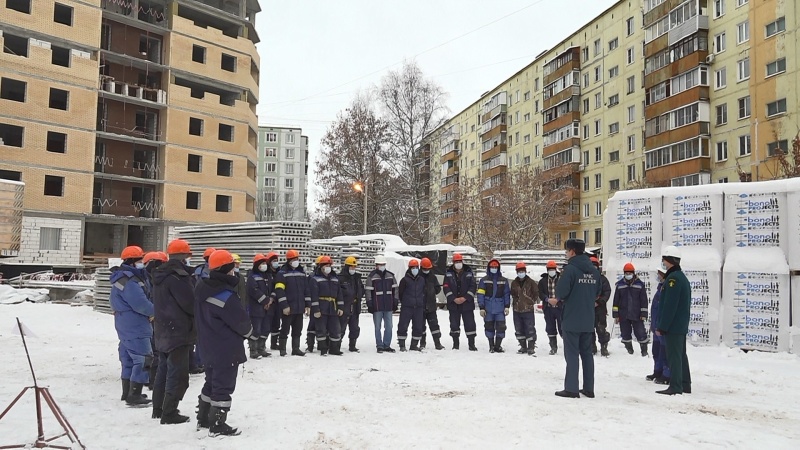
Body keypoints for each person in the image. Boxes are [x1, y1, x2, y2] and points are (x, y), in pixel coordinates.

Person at [194, 250, 255, 437]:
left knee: (210, 382)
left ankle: (203, 418)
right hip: (225, 348)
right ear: (225, 270)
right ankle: (217, 424)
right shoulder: (225, 296)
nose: (234, 271)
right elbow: (241, 323)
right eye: (232, 267)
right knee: (223, 385)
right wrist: (250, 333)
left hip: (207, 344)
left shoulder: (201, 288)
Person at [151, 239, 196, 424]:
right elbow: (190, 304)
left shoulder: (160, 275)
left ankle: (158, 408)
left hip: (162, 329)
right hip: (178, 330)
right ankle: (169, 412)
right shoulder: (179, 277)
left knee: (163, 369)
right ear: (184, 256)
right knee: (177, 373)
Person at [554, 239, 600, 399]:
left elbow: (561, 292)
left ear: (572, 251)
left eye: (567, 251)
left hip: (572, 317)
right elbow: (598, 290)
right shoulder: (594, 270)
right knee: (587, 354)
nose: (566, 254)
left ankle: (571, 389)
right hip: (588, 318)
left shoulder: (570, 270)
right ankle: (589, 388)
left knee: (572, 354)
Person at [110, 245, 153, 406]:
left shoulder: (120, 278)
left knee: (128, 358)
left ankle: (126, 392)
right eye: (141, 259)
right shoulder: (130, 281)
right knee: (143, 358)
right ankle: (135, 395)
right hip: (136, 323)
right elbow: (140, 304)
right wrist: (156, 312)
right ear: (134, 261)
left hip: (124, 322)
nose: (143, 262)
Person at [655, 246, 692, 395]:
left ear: (669, 260)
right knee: (681, 355)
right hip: (679, 325)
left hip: (674, 326)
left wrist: (662, 326)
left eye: (664, 259)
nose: (663, 262)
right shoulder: (680, 277)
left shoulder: (673, 279)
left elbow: (670, 305)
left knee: (674, 356)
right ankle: (685, 384)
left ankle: (676, 386)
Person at [273, 249, 309, 357]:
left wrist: (307, 305)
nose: (296, 261)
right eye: (294, 259)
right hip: (288, 307)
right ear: (289, 260)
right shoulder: (282, 273)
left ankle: (296, 349)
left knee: (298, 329)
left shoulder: (302, 273)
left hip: (299, 307)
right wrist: (284, 306)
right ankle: (282, 349)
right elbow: (279, 291)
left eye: (297, 259)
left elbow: (306, 290)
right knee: (285, 329)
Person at [309, 255, 344, 356]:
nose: (328, 267)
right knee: (321, 329)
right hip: (321, 307)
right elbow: (314, 296)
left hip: (332, 307)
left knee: (335, 329)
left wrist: (340, 307)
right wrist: (316, 310)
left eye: (329, 265)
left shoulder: (335, 279)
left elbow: (339, 295)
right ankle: (323, 348)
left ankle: (334, 348)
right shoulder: (315, 279)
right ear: (321, 266)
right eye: (326, 265)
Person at [612, 263, 650, 356]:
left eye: (630, 273)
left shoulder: (640, 284)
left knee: (641, 333)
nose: (628, 275)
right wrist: (616, 315)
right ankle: (629, 351)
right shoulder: (620, 285)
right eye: (626, 273)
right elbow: (615, 301)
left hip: (637, 315)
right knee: (625, 334)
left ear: (633, 273)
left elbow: (644, 300)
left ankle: (644, 351)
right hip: (623, 315)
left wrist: (644, 314)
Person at [143, 251, 168, 389]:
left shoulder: (153, 278)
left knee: (154, 347)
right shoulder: (147, 279)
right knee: (153, 348)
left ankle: (150, 377)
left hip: (156, 315)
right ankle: (151, 378)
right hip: (150, 316)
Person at [443, 253, 478, 351]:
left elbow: (473, 286)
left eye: (459, 261)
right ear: (453, 263)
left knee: (470, 324)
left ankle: (472, 344)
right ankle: (455, 344)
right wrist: (453, 298)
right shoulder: (448, 273)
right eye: (456, 262)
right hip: (453, 304)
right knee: (454, 324)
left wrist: (466, 297)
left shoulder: (469, 273)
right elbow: (445, 287)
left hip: (467, 304)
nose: (458, 263)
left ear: (462, 262)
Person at [365, 255, 398, 353]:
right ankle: (379, 345)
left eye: (383, 264)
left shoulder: (391, 276)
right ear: (376, 265)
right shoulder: (371, 277)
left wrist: (395, 302)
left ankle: (386, 345)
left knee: (389, 326)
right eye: (380, 264)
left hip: (388, 306)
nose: (382, 266)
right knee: (377, 327)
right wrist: (369, 304)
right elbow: (368, 292)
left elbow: (395, 289)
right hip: (377, 306)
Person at [477, 259, 511, 353]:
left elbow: (506, 294)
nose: (494, 269)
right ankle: (491, 345)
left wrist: (507, 306)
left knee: (501, 327)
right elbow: (480, 294)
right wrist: (482, 307)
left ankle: (498, 346)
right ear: (489, 268)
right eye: (492, 267)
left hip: (500, 308)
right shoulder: (483, 280)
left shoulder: (503, 280)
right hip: (488, 308)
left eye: (496, 267)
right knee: (489, 326)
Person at [246, 254, 273, 359]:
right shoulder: (252, 276)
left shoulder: (267, 276)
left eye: (265, 263)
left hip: (267, 307)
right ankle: (253, 350)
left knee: (265, 329)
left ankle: (261, 348)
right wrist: (265, 301)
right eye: (262, 263)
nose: (264, 265)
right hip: (256, 307)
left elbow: (272, 290)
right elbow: (254, 291)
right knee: (256, 329)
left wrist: (270, 300)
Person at [647, 269, 671, 385]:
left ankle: (666, 374)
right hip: (656, 325)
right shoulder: (660, 287)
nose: (658, 276)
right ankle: (657, 371)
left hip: (661, 327)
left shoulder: (667, 288)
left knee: (664, 352)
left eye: (659, 274)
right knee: (656, 351)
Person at [397, 259, 426, 352]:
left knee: (418, 326)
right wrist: (405, 302)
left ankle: (414, 345)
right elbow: (400, 293)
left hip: (418, 307)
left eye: (416, 267)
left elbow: (424, 292)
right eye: (413, 268)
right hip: (407, 307)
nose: (415, 269)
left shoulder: (422, 280)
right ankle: (402, 345)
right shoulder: (404, 280)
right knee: (403, 325)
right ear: (409, 269)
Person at [510, 262, 537, 356]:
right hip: (517, 310)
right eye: (519, 271)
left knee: (530, 328)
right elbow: (513, 294)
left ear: (525, 271)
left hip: (528, 310)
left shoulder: (531, 282)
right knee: (518, 329)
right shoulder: (514, 283)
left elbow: (536, 293)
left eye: (522, 271)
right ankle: (523, 346)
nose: (521, 272)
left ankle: (531, 347)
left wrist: (530, 301)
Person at [338, 256, 364, 352]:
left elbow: (361, 289)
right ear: (346, 266)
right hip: (345, 306)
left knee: (355, 327)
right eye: (351, 267)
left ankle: (352, 345)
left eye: (354, 267)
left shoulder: (357, 278)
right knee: (341, 327)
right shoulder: (340, 278)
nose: (353, 269)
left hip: (355, 306)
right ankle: (336, 345)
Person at [419, 257, 444, 350]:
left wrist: (432, 291)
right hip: (420, 306)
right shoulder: (418, 277)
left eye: (428, 268)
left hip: (431, 306)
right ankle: (422, 343)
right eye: (425, 268)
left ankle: (437, 343)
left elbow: (438, 288)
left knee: (434, 326)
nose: (426, 270)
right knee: (421, 326)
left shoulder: (432, 277)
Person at [539, 260, 563, 355]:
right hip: (548, 308)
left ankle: (568, 346)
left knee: (563, 327)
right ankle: (553, 347)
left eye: (553, 269)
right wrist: (547, 299)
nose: (551, 271)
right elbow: (540, 293)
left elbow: (565, 290)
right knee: (550, 328)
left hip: (560, 307)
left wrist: (558, 299)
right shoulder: (542, 281)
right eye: (549, 269)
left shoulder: (561, 279)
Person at [590, 256, 612, 357]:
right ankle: (591, 347)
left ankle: (604, 346)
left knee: (601, 328)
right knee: (589, 329)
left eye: (595, 266)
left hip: (600, 308)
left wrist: (599, 301)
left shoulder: (603, 279)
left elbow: (607, 292)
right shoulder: (584, 278)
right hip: (588, 309)